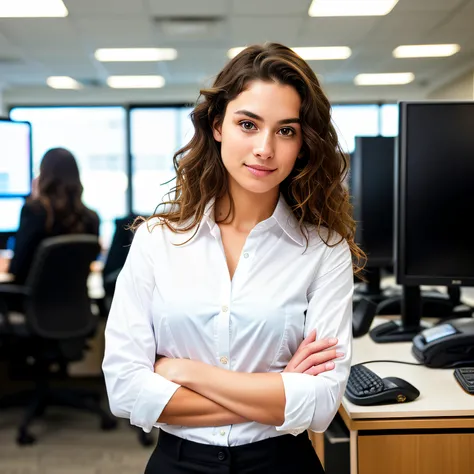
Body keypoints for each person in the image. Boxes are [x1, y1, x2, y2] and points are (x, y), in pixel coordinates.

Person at [102, 42, 365, 474]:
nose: (265, 148)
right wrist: (277, 393)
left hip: (282, 465)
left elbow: (319, 405)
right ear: (218, 124)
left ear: (303, 143)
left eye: (285, 130)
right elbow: (126, 391)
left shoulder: (324, 250)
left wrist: (184, 371)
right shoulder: (156, 240)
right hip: (179, 463)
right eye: (248, 124)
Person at [8, 147, 100, 285]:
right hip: (77, 304)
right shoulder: (91, 218)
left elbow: (17, 269)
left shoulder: (34, 211)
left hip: (33, 304)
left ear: (44, 176)